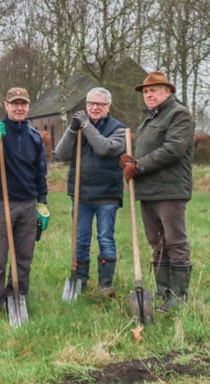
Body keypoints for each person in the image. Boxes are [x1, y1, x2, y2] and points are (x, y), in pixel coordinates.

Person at [120, 71, 195, 312]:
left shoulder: (179, 115)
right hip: (148, 191)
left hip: (170, 190)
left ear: (168, 91)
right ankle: (164, 292)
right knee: (157, 242)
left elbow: (173, 149)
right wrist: (131, 160)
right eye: (146, 91)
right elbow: (148, 151)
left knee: (175, 241)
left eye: (154, 90)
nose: (149, 94)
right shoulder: (148, 120)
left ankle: (179, 296)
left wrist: (138, 166)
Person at [0, 88, 49, 322]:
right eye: (14, 104)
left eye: (23, 104)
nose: (19, 108)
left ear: (28, 107)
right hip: (1, 202)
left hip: (27, 204)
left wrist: (42, 203)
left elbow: (40, 173)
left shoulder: (34, 136)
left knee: (24, 257)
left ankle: (16, 297)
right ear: (6, 105)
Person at [54, 87, 127, 296]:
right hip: (81, 194)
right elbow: (60, 154)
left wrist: (86, 126)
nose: (94, 107)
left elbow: (105, 149)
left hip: (107, 195)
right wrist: (72, 129)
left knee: (105, 238)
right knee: (81, 239)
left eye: (100, 104)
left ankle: (105, 285)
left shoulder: (119, 129)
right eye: (90, 104)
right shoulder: (78, 128)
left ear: (108, 107)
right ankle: (80, 282)